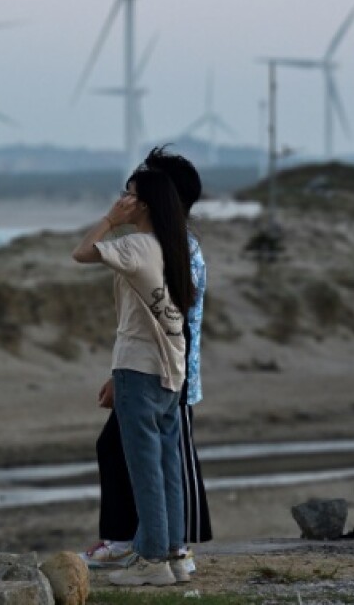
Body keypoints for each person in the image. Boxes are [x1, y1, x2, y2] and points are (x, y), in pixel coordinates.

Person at [84, 148, 212, 574]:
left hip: (161, 372)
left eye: (138, 190)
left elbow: (178, 322)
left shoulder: (169, 247)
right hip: (160, 368)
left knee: (161, 463)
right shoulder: (173, 244)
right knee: (136, 453)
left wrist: (110, 220)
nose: (130, 197)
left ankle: (162, 550)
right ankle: (153, 544)